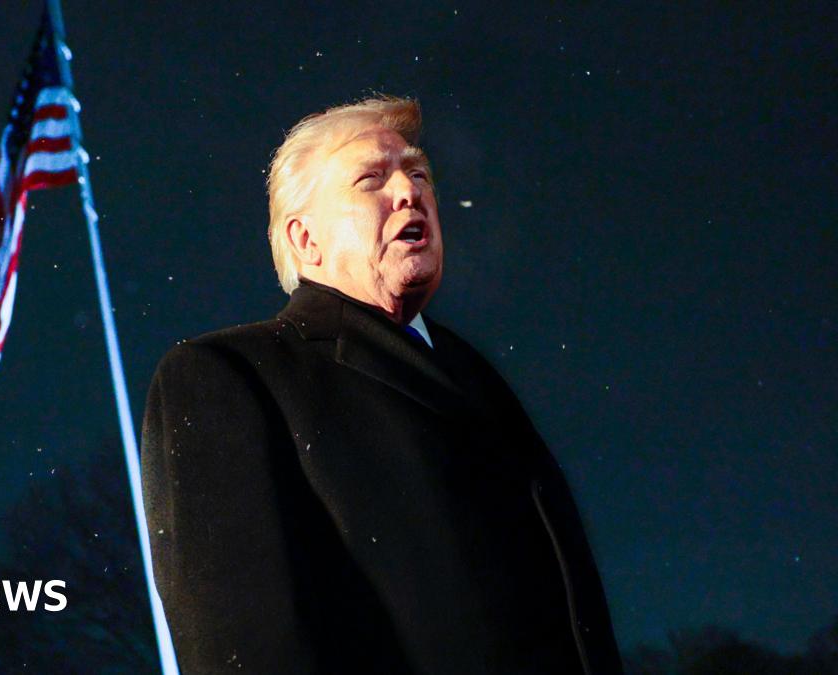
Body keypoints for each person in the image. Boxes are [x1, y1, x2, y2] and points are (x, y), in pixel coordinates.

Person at [140, 95, 623, 674]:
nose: (409, 192)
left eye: (418, 174)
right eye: (371, 179)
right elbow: (243, 644)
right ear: (304, 240)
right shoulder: (228, 375)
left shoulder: (479, 376)